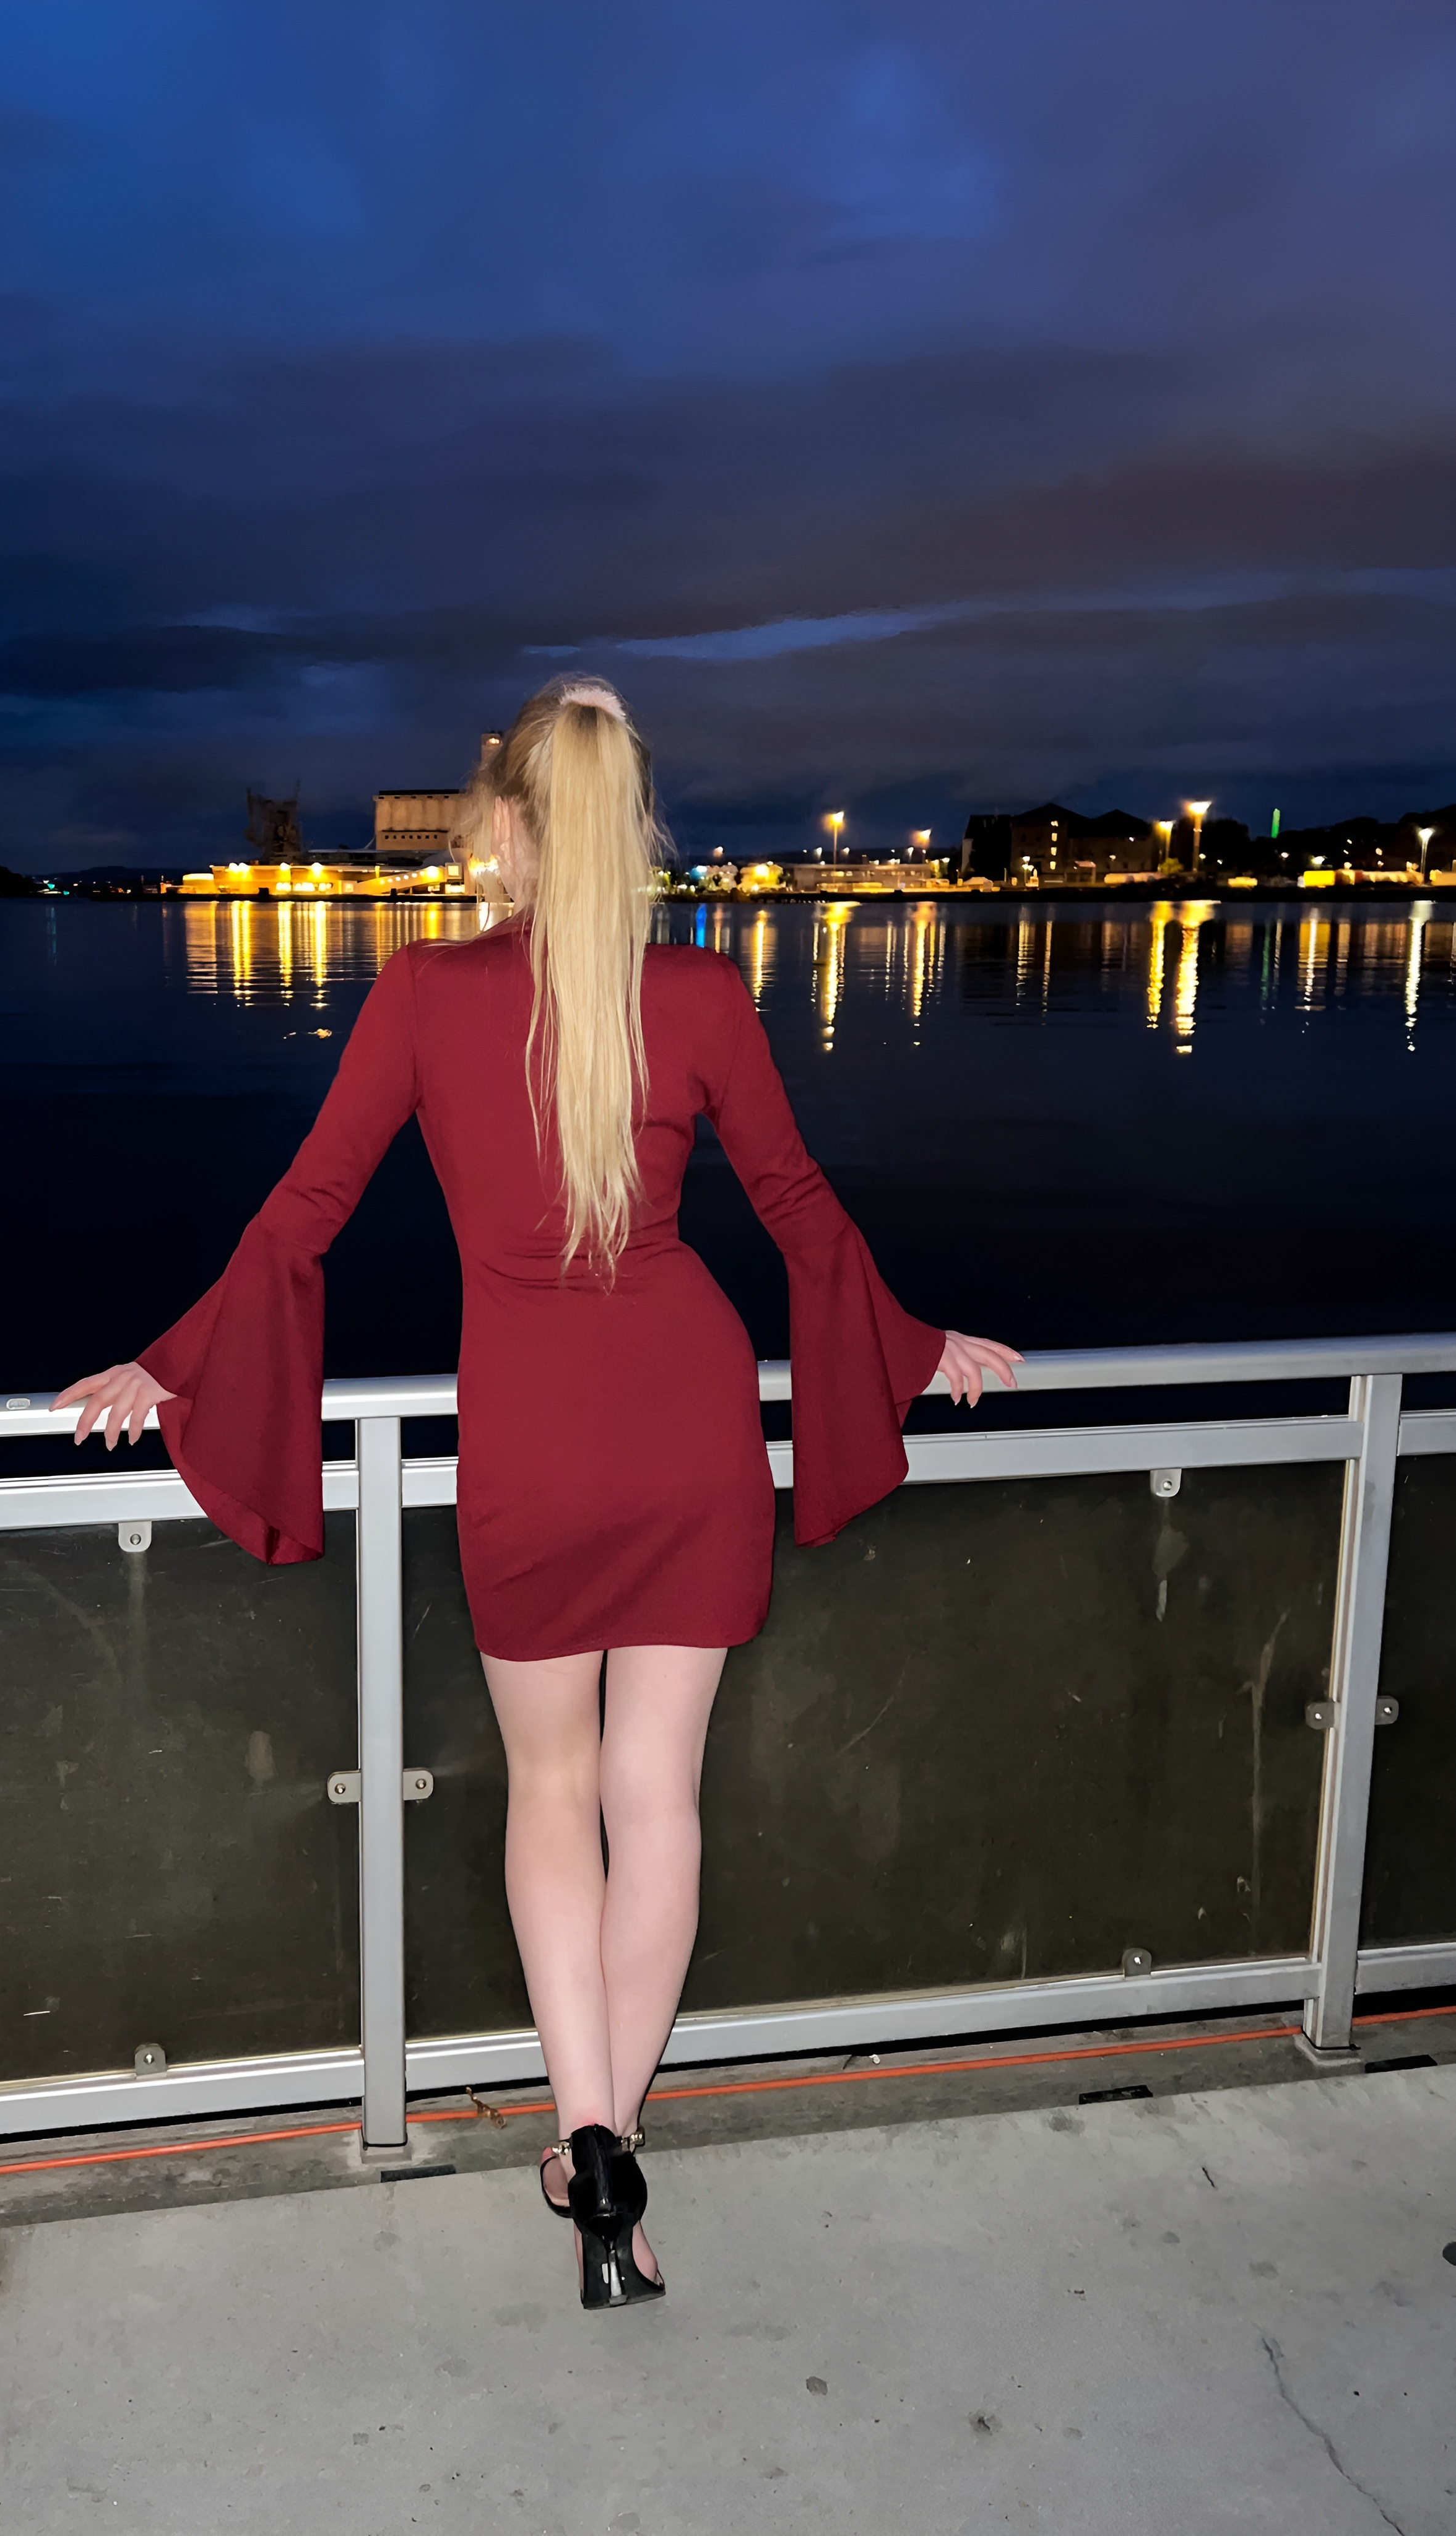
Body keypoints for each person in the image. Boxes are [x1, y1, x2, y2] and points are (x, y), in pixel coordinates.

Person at [56, 681, 1020, 2312]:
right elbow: (799, 1213)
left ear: (500, 829)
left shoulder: (423, 997)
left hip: (533, 1449)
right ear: (632, 832)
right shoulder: (702, 994)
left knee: (548, 1797)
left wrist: (179, 1365)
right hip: (692, 1426)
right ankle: (612, 2152)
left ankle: (585, 2138)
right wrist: (913, 1348)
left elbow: (301, 1220)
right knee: (660, 1803)